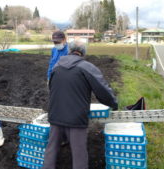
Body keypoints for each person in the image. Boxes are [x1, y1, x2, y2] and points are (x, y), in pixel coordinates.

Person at [42, 40, 118, 169]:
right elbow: (102, 90)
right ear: (83, 52)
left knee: (51, 149)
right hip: (76, 118)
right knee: (79, 154)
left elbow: (51, 88)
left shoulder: (57, 66)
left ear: (69, 50)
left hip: (55, 114)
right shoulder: (86, 67)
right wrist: (113, 103)